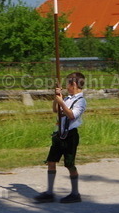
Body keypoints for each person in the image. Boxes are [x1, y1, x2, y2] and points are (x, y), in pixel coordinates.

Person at [34, 72, 86, 204]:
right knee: (51, 161)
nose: (66, 86)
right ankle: (49, 193)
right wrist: (57, 98)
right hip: (59, 134)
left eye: (67, 83)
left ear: (73, 84)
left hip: (70, 135)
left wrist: (61, 102)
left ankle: (75, 193)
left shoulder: (81, 101)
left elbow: (72, 115)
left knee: (69, 164)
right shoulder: (68, 98)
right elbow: (55, 110)